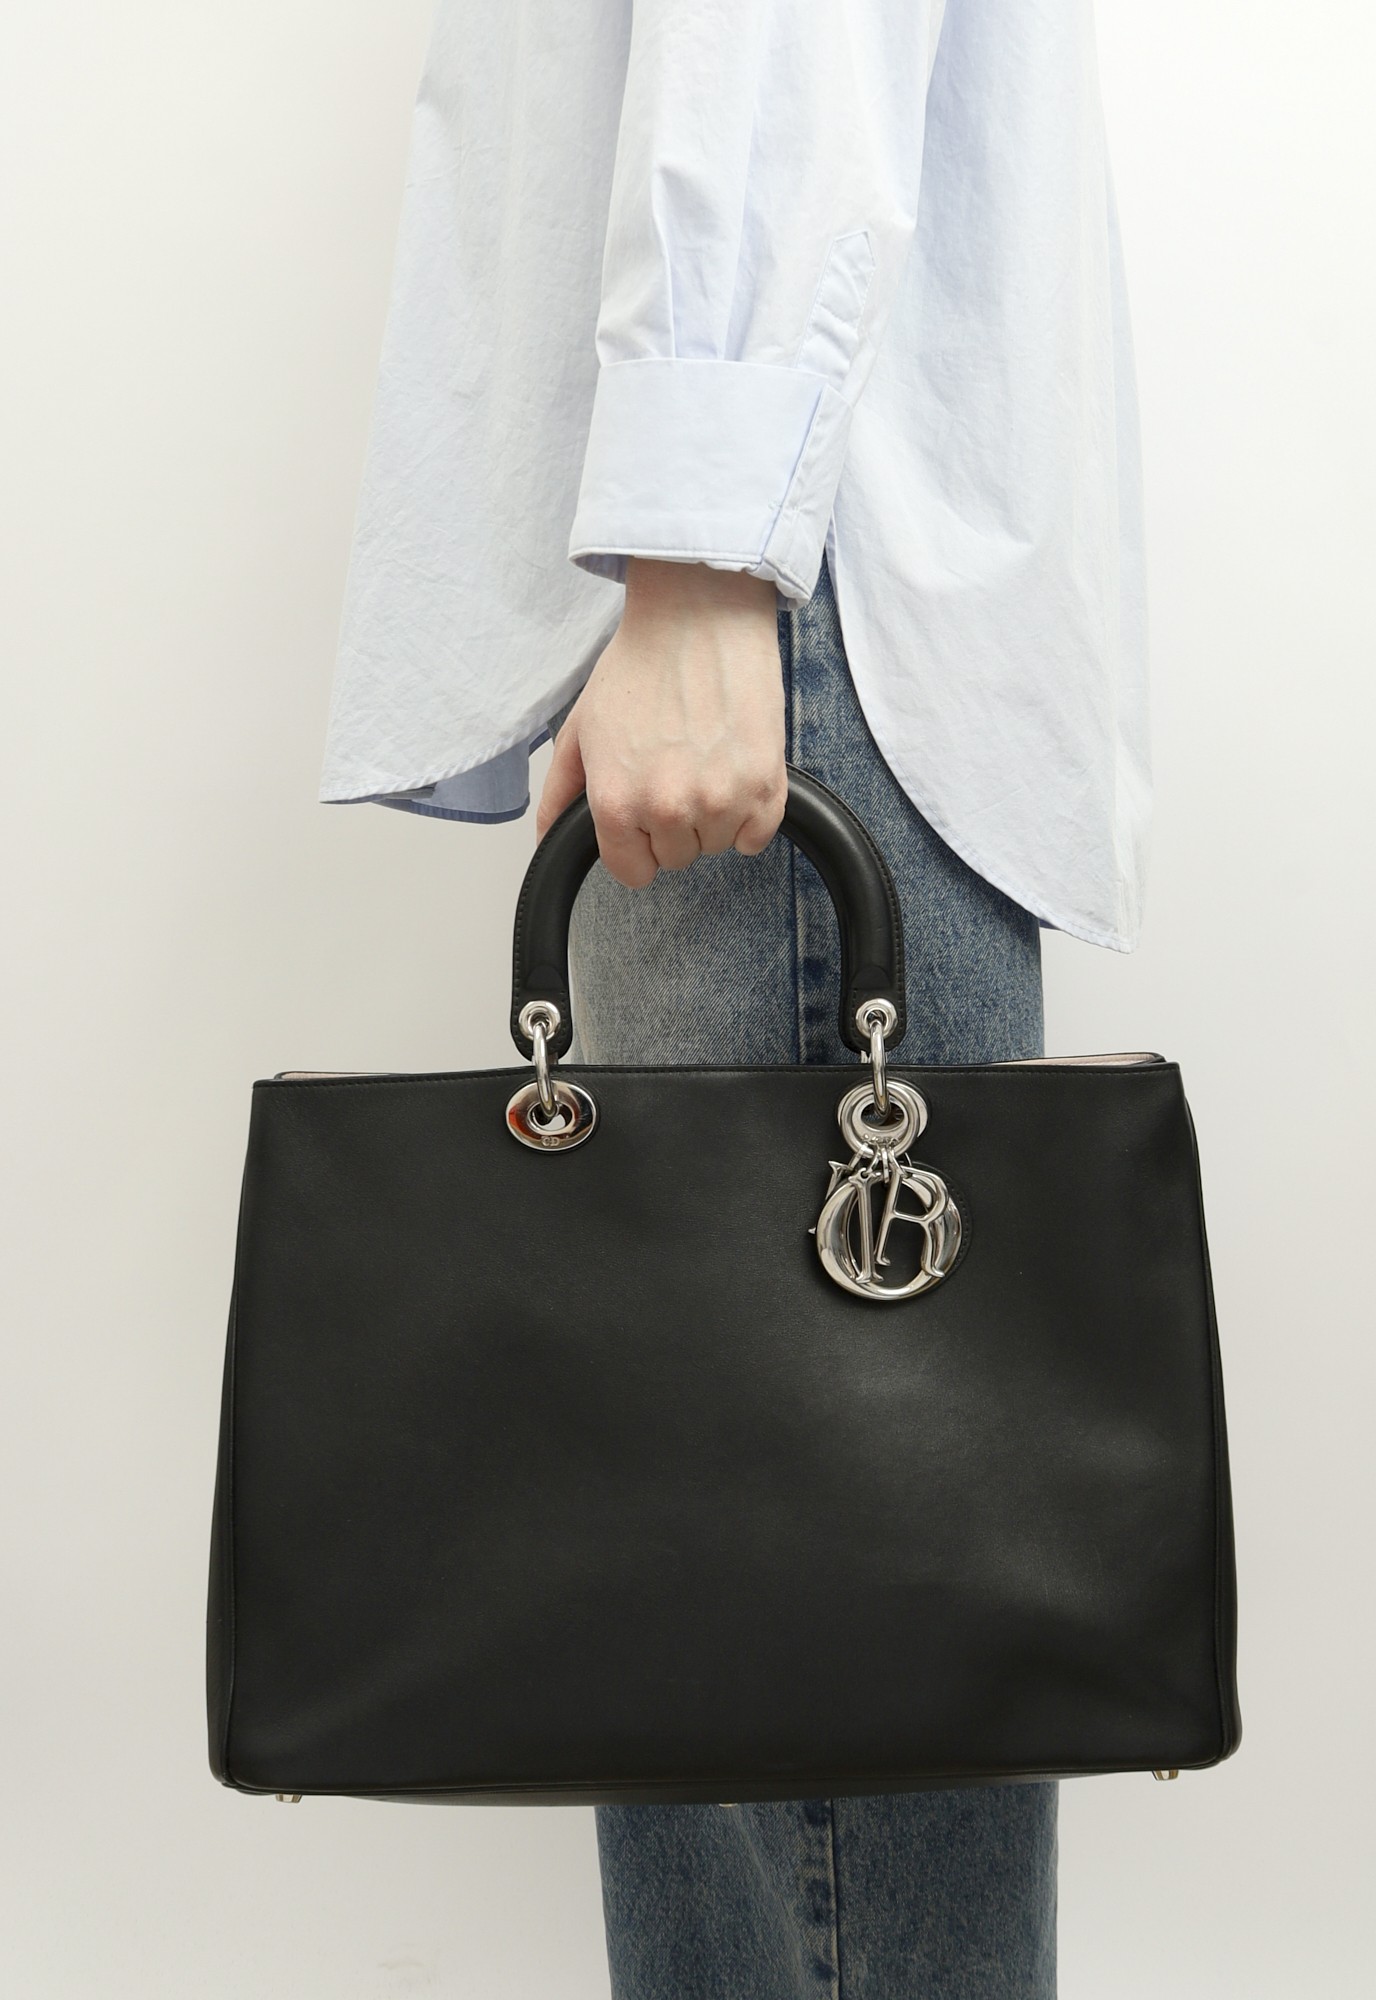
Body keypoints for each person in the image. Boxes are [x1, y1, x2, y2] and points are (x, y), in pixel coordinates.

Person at [320, 4, 1148, 1993]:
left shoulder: (738, 583)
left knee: (791, 1679)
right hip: (794, 572)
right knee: (719, 1658)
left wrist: (702, 558)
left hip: (785, 591)